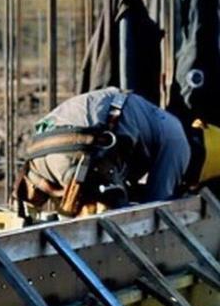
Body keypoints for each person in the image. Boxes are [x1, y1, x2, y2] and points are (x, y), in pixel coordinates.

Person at [15, 87, 191, 220]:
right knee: (112, 217)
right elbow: (156, 207)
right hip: (81, 152)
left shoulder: (151, 116)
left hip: (39, 149)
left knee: (37, 220)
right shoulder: (177, 138)